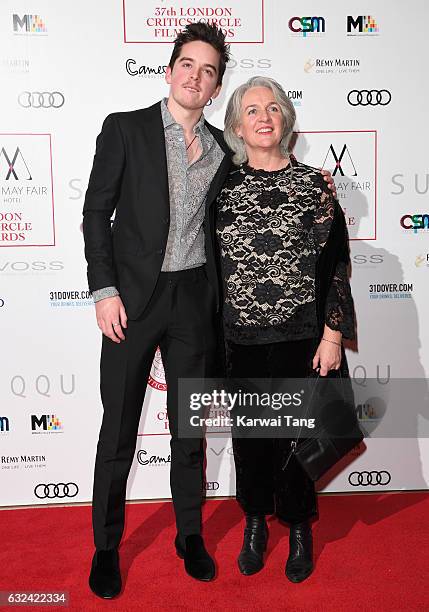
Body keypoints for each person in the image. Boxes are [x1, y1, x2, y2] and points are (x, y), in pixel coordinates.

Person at [83, 23, 336, 598]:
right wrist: (104, 291)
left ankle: (190, 535)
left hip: (194, 303)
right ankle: (105, 545)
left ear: (217, 85)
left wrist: (315, 180)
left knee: (189, 432)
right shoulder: (125, 130)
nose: (197, 77)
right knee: (118, 428)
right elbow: (96, 214)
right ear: (170, 69)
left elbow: (266, 175)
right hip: (132, 302)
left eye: (209, 71)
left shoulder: (226, 148)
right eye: (188, 65)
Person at [216, 76, 355, 582]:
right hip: (241, 340)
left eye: (273, 108)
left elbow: (337, 263)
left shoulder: (314, 185)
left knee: (299, 439)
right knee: (252, 439)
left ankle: (299, 527)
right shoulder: (222, 187)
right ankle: (255, 522)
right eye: (251, 110)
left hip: (302, 337)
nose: (263, 116)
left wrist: (333, 335)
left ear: (286, 121)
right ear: (236, 126)